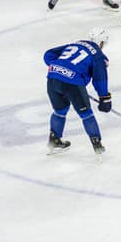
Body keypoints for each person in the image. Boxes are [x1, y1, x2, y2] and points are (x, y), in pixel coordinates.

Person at [44, 27, 112, 156]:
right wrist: (104, 97)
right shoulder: (97, 54)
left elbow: (49, 54)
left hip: (52, 78)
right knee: (86, 114)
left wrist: (59, 68)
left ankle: (54, 140)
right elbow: (100, 78)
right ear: (101, 42)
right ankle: (97, 145)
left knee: (59, 111)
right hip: (72, 83)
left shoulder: (76, 43)